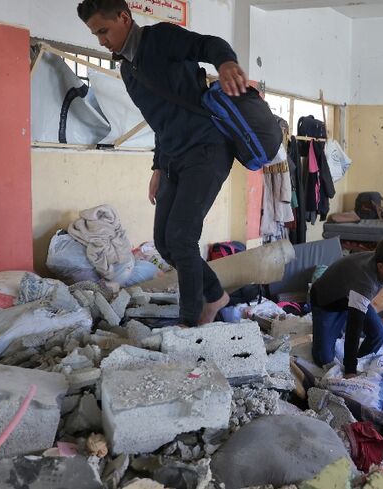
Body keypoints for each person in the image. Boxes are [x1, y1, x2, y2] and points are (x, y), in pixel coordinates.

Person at [77, 0, 250, 327]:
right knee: (165, 242)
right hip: (173, 157)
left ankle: (189, 322)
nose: (100, 40)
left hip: (207, 149)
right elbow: (160, 121)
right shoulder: (128, 68)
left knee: (183, 237)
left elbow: (206, 44)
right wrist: (158, 166)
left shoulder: (159, 38)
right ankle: (217, 295)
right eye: (94, 34)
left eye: (103, 30)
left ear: (124, 18)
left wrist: (226, 62)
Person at [310, 238, 383, 376]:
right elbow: (354, 329)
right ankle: (352, 366)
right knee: (323, 359)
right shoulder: (365, 283)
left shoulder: (380, 259)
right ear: (381, 266)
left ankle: (361, 363)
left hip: (349, 295)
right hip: (326, 302)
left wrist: (354, 364)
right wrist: (349, 370)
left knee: (379, 333)